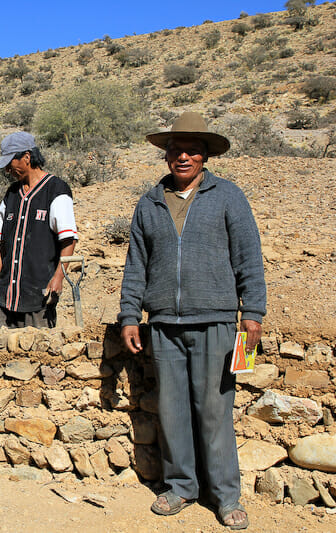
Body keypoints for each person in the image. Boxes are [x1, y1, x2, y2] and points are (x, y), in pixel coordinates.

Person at [118, 112, 266, 530]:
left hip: (215, 321)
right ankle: (181, 486)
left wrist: (253, 311)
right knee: (171, 411)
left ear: (205, 156)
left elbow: (248, 256)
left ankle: (225, 496)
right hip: (164, 324)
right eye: (176, 150)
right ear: (166, 156)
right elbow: (136, 265)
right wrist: (130, 315)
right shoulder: (149, 203)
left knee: (215, 412)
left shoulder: (228, 196)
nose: (183, 157)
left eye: (192, 150)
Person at [0, 131, 78, 328]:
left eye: (10, 163)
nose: (8, 170)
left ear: (27, 157)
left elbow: (69, 241)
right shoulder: (11, 194)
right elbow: (5, 244)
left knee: (38, 345)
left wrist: (58, 278)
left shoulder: (56, 191)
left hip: (39, 296)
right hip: (6, 296)